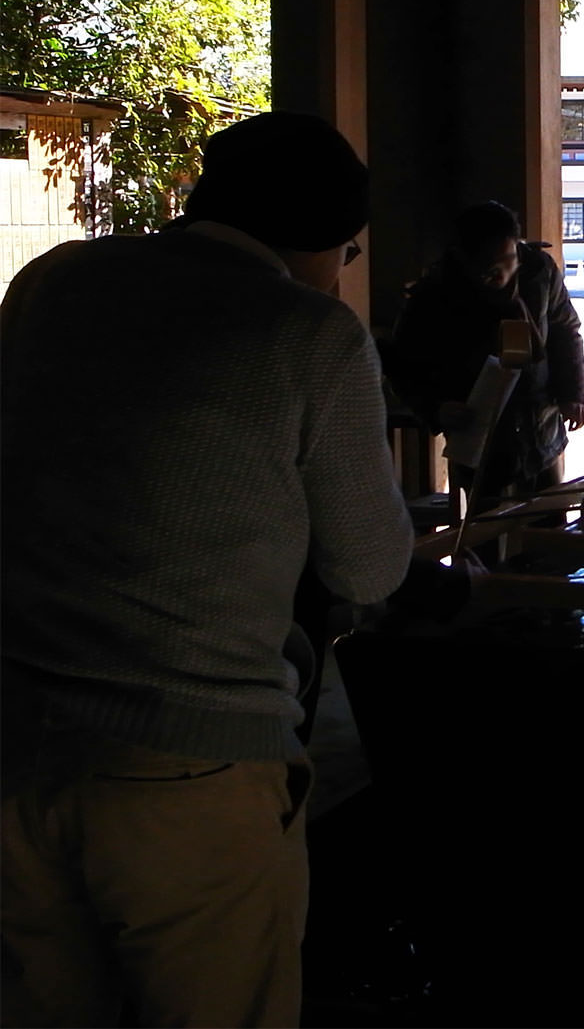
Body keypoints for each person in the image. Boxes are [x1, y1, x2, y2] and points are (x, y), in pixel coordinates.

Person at [0, 111, 414, 1027]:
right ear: (323, 242)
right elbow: (374, 563)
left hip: (20, 739)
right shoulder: (308, 331)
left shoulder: (53, 282)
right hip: (193, 762)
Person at [388, 200, 584, 500]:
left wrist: (573, 393)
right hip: (477, 432)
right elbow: (404, 364)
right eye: (479, 267)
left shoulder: (539, 272)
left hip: (541, 423)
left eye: (499, 264)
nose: (489, 275)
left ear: (515, 249)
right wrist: (437, 408)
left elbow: (565, 331)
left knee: (548, 526)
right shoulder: (435, 292)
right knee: (485, 533)